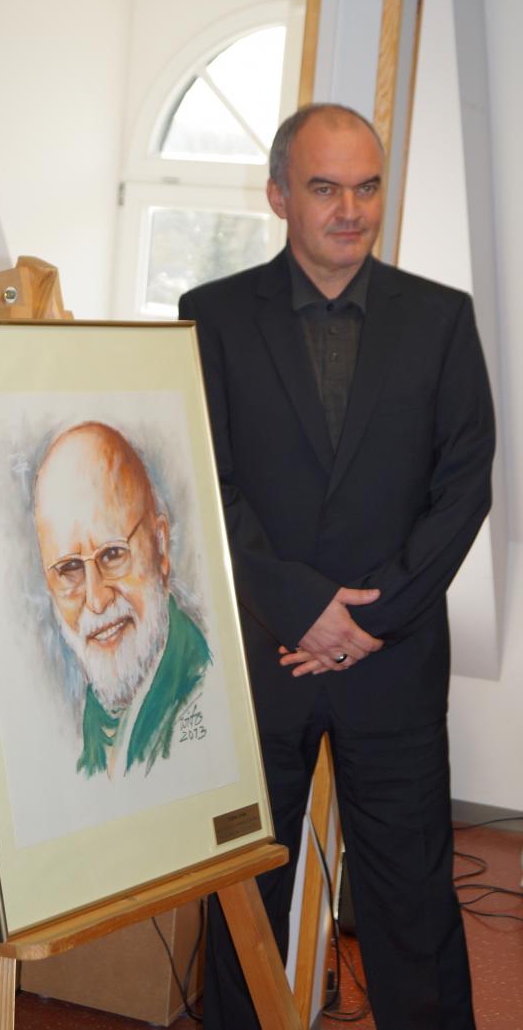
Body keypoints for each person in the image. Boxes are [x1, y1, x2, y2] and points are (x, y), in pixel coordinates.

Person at [179, 103, 494, 1030]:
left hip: (392, 660)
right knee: (244, 898)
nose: (350, 210)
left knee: (413, 900)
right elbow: (202, 479)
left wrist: (369, 618)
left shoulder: (441, 318)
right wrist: (301, 607)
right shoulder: (211, 315)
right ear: (279, 194)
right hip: (263, 657)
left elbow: (464, 484)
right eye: (325, 188)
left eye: (366, 187)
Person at [33, 421, 211, 777]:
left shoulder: (202, 686)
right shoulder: (95, 717)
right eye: (69, 568)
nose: (97, 600)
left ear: (160, 546)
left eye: (113, 554)